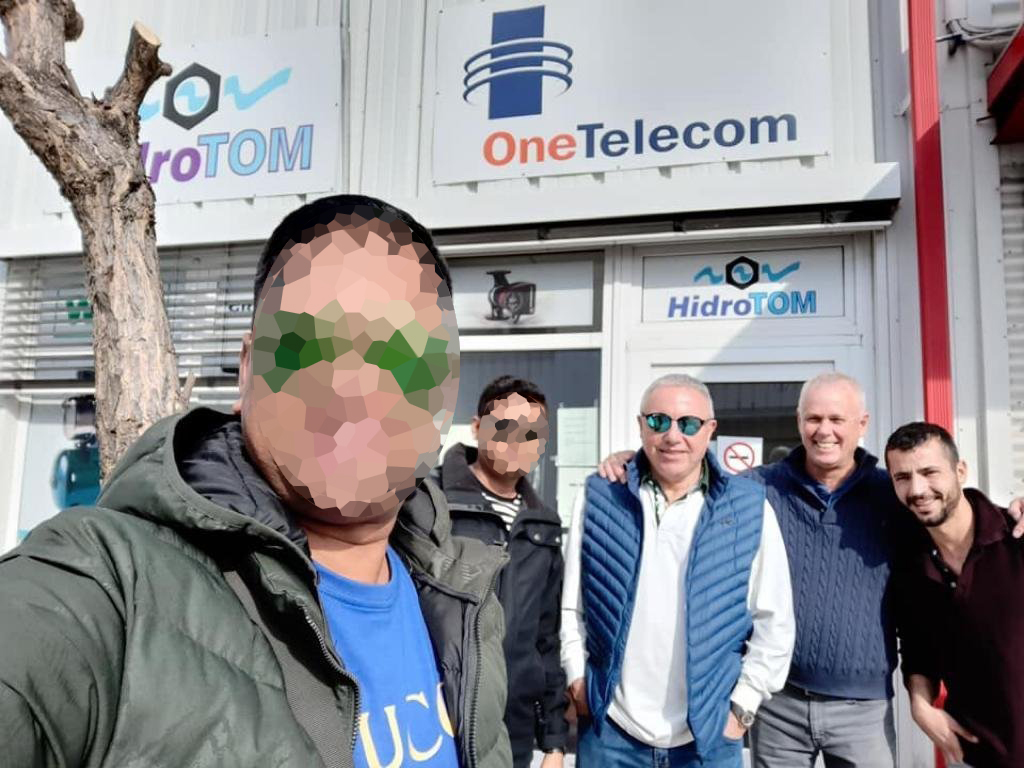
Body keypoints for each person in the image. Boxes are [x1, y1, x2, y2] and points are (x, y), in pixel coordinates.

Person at [0, 195, 511, 768]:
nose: (356, 384)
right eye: (314, 344)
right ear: (248, 370)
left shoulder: (465, 600)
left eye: (401, 355)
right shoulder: (108, 589)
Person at [597, 373, 1024, 767]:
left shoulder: (890, 493)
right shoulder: (758, 488)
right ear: (799, 423)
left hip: (863, 709)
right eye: (814, 418)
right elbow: (689, 472)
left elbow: (951, 510)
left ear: (862, 424)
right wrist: (635, 462)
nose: (824, 430)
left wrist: (1013, 513)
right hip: (779, 705)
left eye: (837, 419)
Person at [562, 373, 794, 768]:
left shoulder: (748, 506)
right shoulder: (599, 495)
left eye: (688, 424)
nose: (672, 436)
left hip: (708, 738)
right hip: (611, 734)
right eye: (658, 421)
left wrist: (743, 707)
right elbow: (572, 606)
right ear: (641, 426)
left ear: (710, 430)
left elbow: (775, 620)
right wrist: (577, 680)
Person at [434, 375, 567, 768]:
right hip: (440, 724)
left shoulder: (543, 525)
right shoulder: (431, 502)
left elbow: (546, 639)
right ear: (478, 427)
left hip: (514, 732)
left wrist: (554, 742)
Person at [886, 422, 1024, 768]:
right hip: (975, 756)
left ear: (960, 471)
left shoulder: (1017, 537)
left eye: (929, 472)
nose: (917, 489)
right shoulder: (909, 567)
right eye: (902, 477)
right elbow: (918, 653)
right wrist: (920, 706)